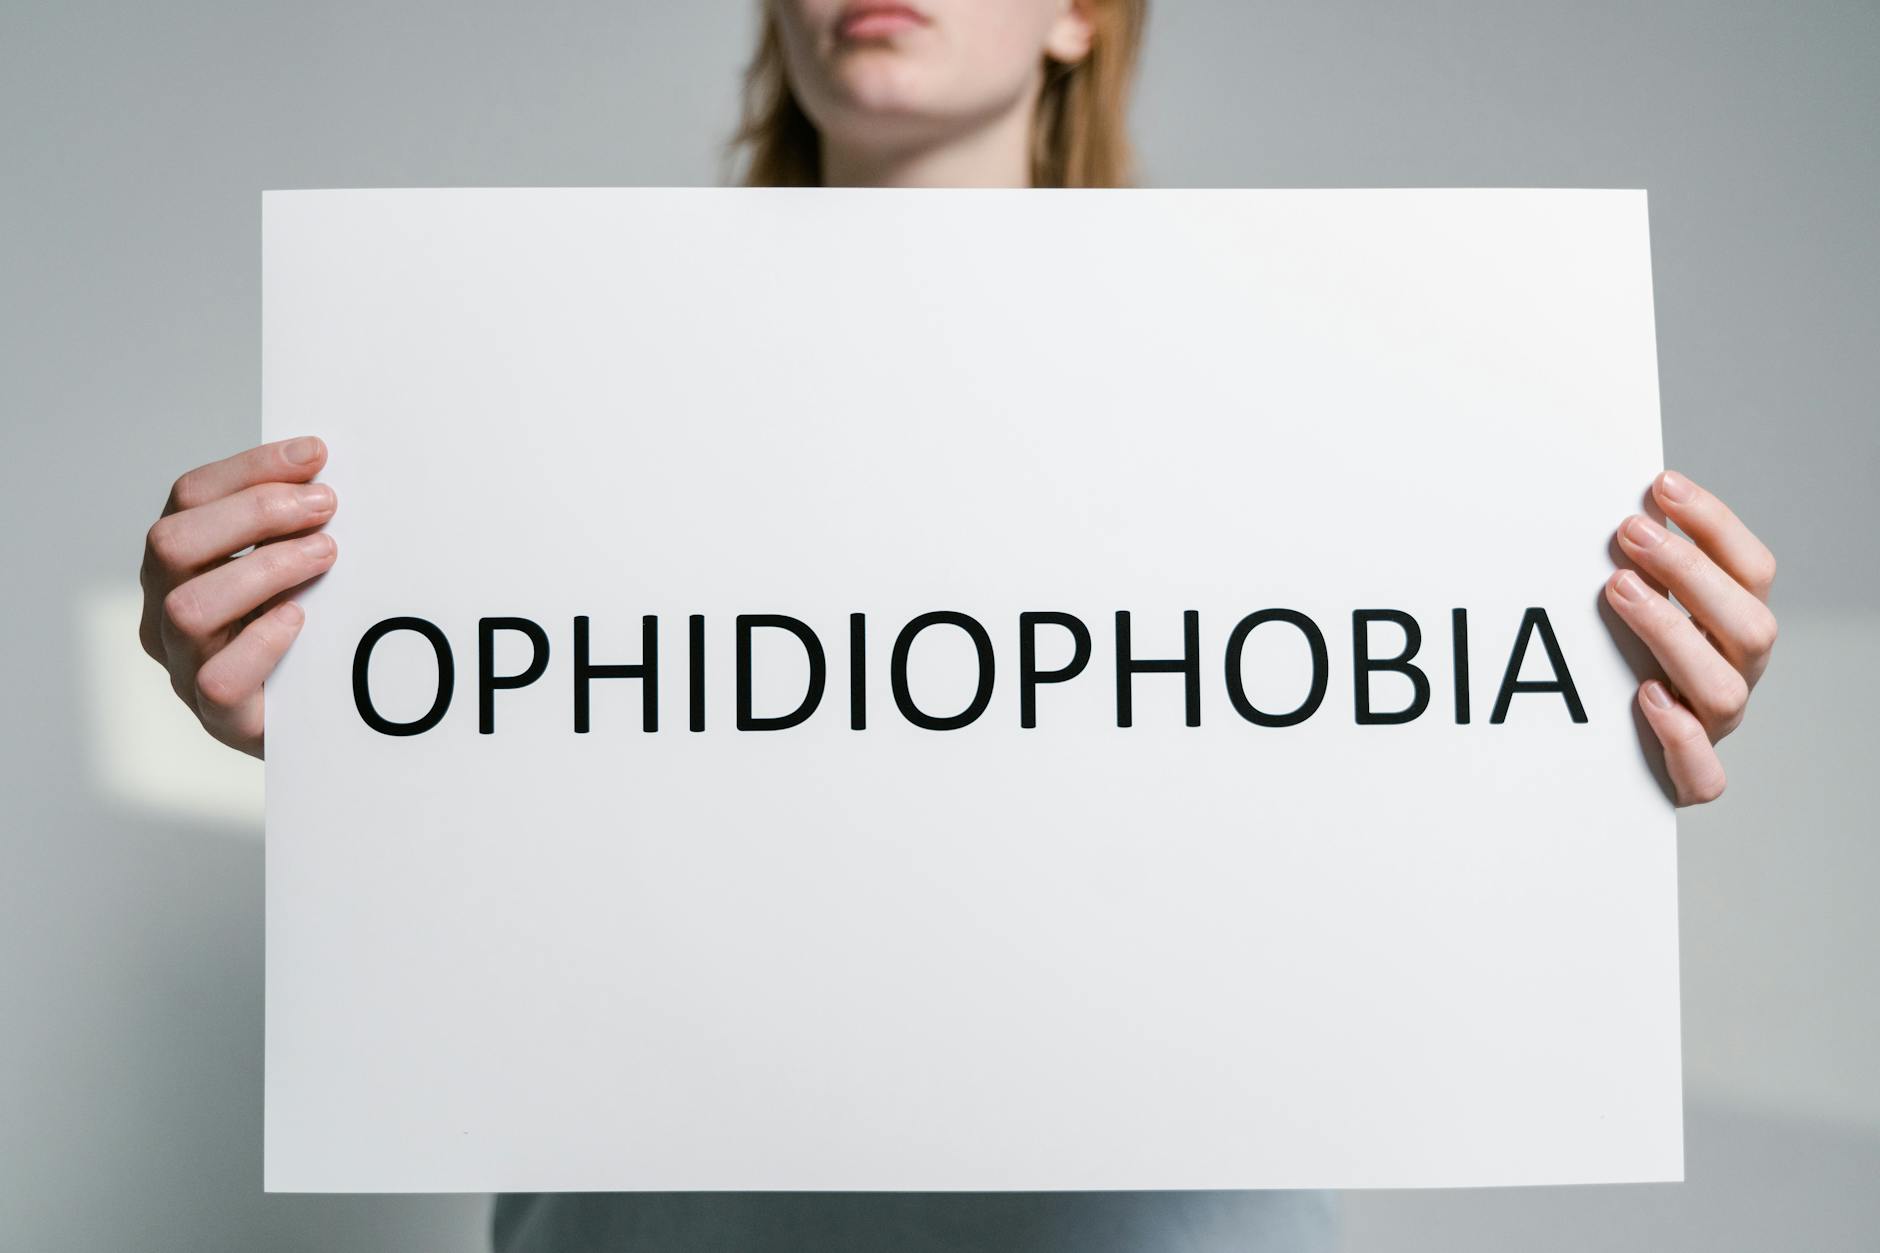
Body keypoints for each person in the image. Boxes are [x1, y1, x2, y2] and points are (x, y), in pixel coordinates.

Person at [135, 1, 1780, 1249]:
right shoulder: (528, 419)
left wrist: (1601, 725)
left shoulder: (1318, 426)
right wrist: (321, 687)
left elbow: (1387, 820)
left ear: (1083, 12)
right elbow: (515, 808)